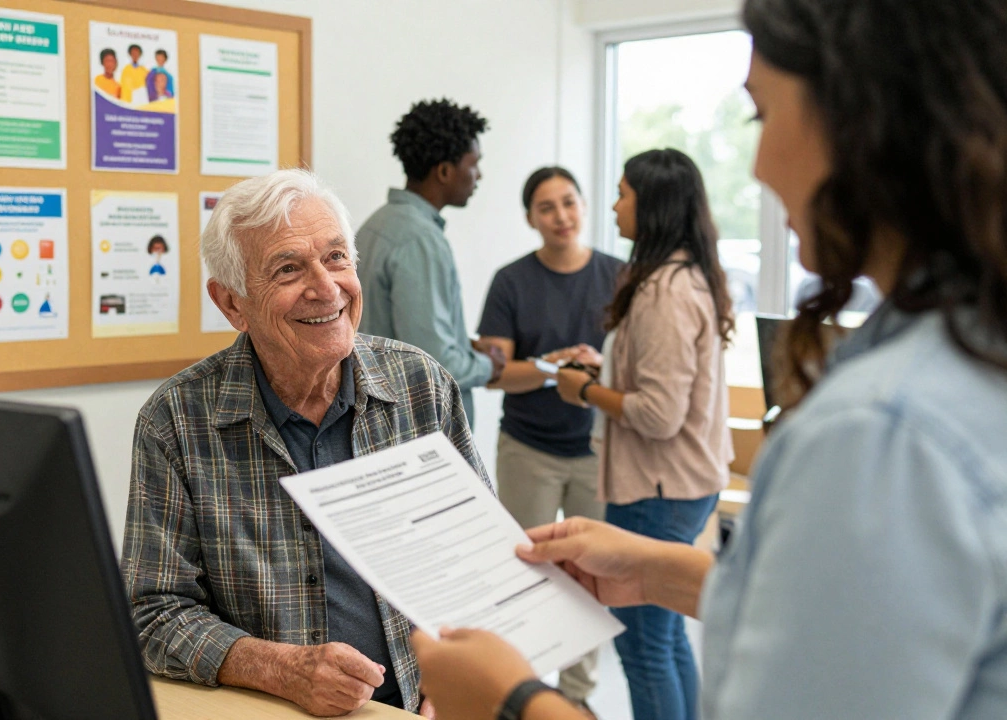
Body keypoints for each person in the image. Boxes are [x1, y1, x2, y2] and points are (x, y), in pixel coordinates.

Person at [409, 1, 1007, 719]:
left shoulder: (881, 433)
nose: (757, 164)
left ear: (862, 121)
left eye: (760, 115)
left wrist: (510, 703)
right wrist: (664, 571)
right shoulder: (959, 356)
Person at [122, 169, 490, 718]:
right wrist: (277, 668)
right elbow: (152, 612)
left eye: (337, 257)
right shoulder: (176, 420)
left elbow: (477, 559)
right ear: (232, 304)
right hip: (266, 709)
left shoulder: (421, 387)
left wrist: (451, 682)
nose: (326, 287)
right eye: (289, 268)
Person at [551, 148, 733, 720]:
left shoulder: (664, 291)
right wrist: (607, 371)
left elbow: (658, 415)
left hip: (660, 488)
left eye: (623, 193)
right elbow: (666, 384)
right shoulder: (681, 277)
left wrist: (581, 391)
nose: (613, 204)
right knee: (665, 637)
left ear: (651, 206)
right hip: (679, 485)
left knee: (642, 645)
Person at [475, 166, 623, 713]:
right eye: (546, 207)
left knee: (591, 578)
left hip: (598, 453)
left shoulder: (619, 276)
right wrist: (549, 365)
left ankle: (578, 700)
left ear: (584, 205)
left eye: (568, 202)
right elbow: (494, 372)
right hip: (528, 449)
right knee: (526, 572)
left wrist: (602, 365)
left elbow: (638, 367)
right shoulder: (512, 281)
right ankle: (525, 693)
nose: (561, 216)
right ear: (530, 218)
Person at [357, 98, 506, 428]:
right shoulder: (420, 240)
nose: (478, 175)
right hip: (417, 429)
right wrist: (487, 366)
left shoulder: (376, 225)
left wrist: (464, 344)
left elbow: (397, 331)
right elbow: (434, 361)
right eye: (474, 163)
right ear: (444, 171)